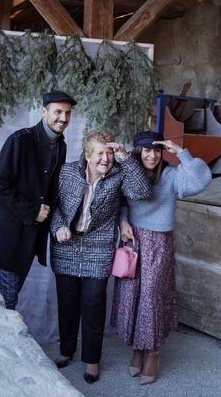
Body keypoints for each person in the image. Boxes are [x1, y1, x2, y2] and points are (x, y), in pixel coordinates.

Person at [50, 129, 152, 384]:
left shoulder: (118, 175)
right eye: (100, 153)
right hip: (66, 245)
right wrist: (58, 226)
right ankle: (66, 349)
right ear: (87, 155)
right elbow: (54, 207)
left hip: (99, 246)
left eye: (109, 152)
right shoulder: (67, 172)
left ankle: (92, 359)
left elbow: (143, 192)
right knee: (68, 304)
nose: (105, 158)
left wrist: (125, 158)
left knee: (93, 305)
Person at [111, 130, 212, 385]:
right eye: (146, 150)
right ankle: (137, 347)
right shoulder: (129, 171)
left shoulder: (170, 174)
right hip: (133, 239)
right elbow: (121, 200)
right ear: (137, 151)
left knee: (152, 298)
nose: (152, 155)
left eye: (156, 150)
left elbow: (201, 182)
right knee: (132, 295)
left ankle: (152, 352)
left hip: (159, 242)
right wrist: (123, 221)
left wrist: (182, 153)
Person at [0, 90, 76, 310]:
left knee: (10, 298)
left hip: (31, 238)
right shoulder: (20, 140)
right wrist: (33, 211)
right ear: (44, 112)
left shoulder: (61, 146)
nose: (63, 118)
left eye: (68, 113)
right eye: (58, 112)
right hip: (9, 237)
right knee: (7, 302)